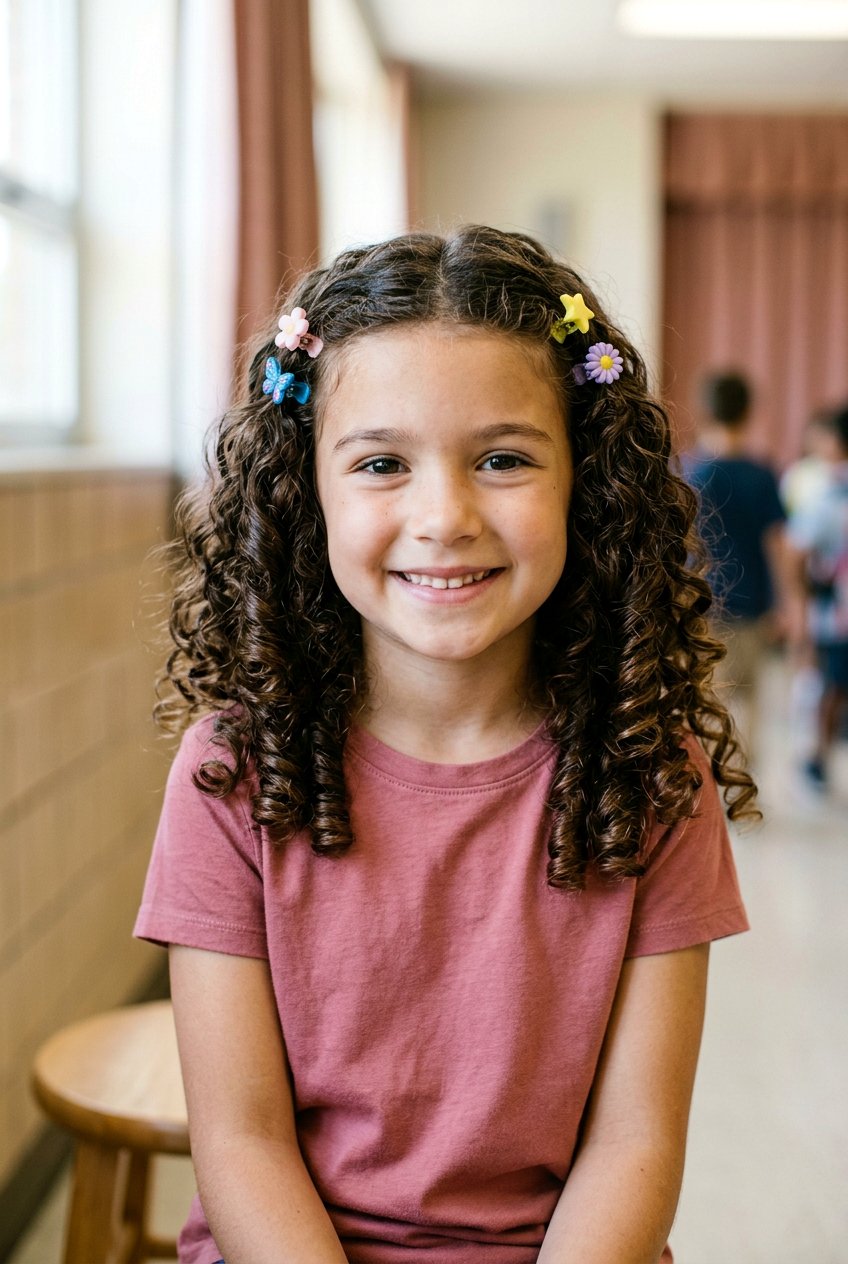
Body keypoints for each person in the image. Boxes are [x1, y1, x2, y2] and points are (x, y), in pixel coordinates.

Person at [135, 226, 754, 1264]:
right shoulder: (230, 772)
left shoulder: (650, 773)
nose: (444, 515)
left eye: (502, 459)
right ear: (305, 489)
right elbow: (241, 1143)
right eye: (382, 463)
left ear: (586, 480)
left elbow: (634, 1145)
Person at [684, 372, 788, 759]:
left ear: (704, 411)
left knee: (706, 703)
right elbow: (777, 545)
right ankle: (742, 779)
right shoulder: (761, 475)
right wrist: (785, 604)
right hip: (753, 605)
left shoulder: (688, 472)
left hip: (700, 607)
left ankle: (709, 781)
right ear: (747, 412)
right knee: (750, 702)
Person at [785, 404, 848, 787]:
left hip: (836, 615)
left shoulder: (830, 494)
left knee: (830, 687)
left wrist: (798, 601)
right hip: (836, 611)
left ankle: (816, 761)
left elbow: (796, 551)